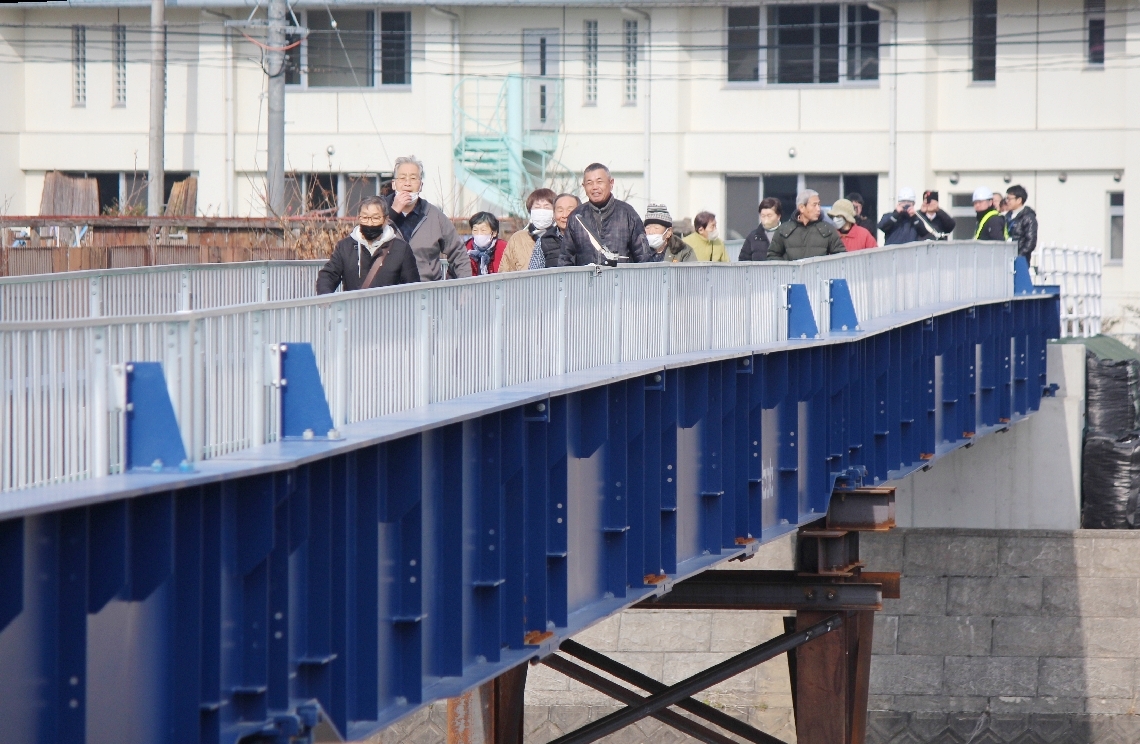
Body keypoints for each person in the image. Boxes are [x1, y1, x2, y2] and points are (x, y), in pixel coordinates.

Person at [384, 155, 472, 281]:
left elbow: (458, 252)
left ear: (420, 185)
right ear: (394, 184)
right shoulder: (379, 211)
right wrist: (393, 212)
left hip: (426, 292)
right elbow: (364, 239)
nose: (407, 184)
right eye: (402, 178)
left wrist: (466, 286)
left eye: (413, 178)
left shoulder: (434, 215)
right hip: (386, 292)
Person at [317, 196, 420, 293]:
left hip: (389, 310)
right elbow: (328, 276)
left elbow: (412, 286)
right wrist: (326, 298)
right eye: (365, 218)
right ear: (359, 218)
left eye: (375, 218)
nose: (369, 223)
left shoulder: (401, 249)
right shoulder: (345, 247)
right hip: (354, 309)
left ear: (385, 219)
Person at [564, 163, 651, 265]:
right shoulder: (577, 217)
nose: (594, 187)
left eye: (599, 182)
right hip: (587, 280)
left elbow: (643, 257)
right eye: (589, 183)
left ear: (611, 183)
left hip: (621, 279)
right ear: (584, 186)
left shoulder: (627, 213)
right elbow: (565, 257)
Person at [767, 189, 845, 260]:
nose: (818, 209)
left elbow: (841, 257)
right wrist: (787, 271)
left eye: (819, 204)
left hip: (819, 275)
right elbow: (773, 255)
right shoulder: (784, 230)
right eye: (814, 205)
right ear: (801, 208)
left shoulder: (827, 229)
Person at [499, 188, 559, 272]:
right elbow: (505, 270)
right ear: (530, 211)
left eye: (546, 207)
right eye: (537, 207)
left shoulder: (561, 237)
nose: (541, 211)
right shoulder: (518, 238)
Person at [1004, 184, 1038, 261]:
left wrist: (1019, 255)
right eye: (1006, 199)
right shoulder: (1007, 216)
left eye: (1009, 199)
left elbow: (1031, 241)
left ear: (1019, 200)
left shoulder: (1028, 217)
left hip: (1021, 258)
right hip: (1006, 256)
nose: (1007, 201)